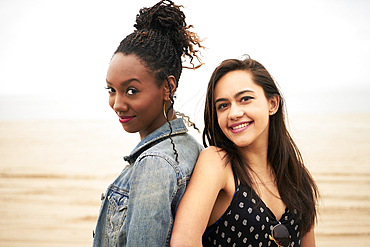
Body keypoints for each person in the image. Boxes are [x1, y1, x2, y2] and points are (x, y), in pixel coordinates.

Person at [171, 56, 319, 247]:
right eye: (223, 105)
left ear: (272, 104)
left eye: (245, 99)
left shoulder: (296, 175)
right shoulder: (218, 163)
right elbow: (184, 242)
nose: (233, 113)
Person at [92, 1, 204, 246]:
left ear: (168, 87)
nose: (117, 104)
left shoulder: (154, 164)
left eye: (132, 90)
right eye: (112, 90)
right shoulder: (193, 147)